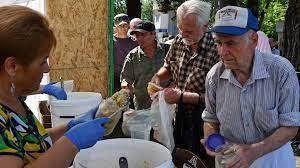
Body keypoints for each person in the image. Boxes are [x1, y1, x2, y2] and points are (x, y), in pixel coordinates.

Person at [0, 5, 109, 167]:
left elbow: (34, 142)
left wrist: (68, 129)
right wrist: (71, 143)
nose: (47, 69)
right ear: (12, 66)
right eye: (42, 61)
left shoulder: (13, 95)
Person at [202, 6, 299, 168]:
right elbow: (210, 119)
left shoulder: (281, 71)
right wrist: (212, 138)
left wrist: (253, 151)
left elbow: (290, 126)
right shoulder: (214, 76)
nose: (223, 52)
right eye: (218, 43)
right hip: (230, 159)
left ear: (253, 40)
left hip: (273, 159)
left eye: (231, 43)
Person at [150, 0, 219, 166]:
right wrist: (158, 77)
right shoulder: (179, 41)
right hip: (180, 115)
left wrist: (182, 96)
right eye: (180, 28)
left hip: (207, 120)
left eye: (188, 30)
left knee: (204, 161)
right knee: (180, 157)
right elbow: (168, 65)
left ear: (205, 26)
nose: (182, 33)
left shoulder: (218, 49)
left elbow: (218, 99)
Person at [121, 20, 170, 110]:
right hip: (142, 108)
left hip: (167, 106)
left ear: (153, 34)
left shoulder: (168, 51)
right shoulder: (132, 56)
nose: (139, 38)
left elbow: (178, 75)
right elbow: (126, 79)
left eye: (143, 35)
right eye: (137, 35)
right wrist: (126, 90)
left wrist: (168, 91)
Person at [113, 14, 138, 92]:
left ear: (129, 26)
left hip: (130, 78)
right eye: (120, 26)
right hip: (115, 78)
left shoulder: (134, 42)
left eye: (125, 25)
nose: (123, 28)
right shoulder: (111, 41)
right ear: (116, 27)